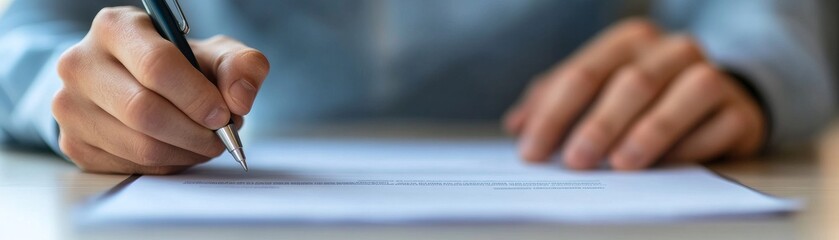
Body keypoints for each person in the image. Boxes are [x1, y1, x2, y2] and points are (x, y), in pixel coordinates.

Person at [0, 0, 833, 174]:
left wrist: (739, 74)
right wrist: (67, 90)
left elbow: (769, 20)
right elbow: (20, 35)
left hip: (589, 191)